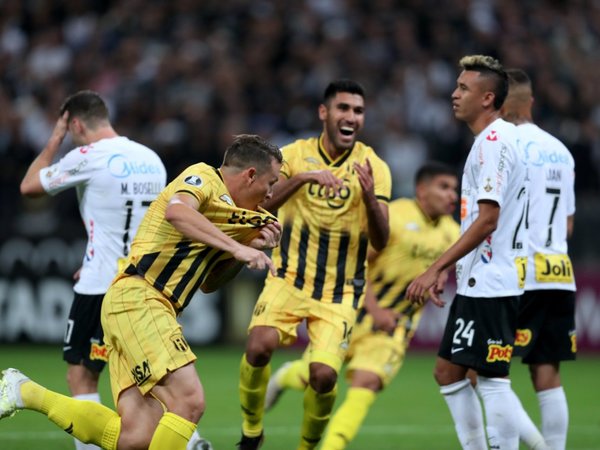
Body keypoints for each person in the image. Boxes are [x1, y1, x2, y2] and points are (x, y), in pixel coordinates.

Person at [1, 133, 284, 450]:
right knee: (188, 399)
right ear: (250, 175)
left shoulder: (227, 220)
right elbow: (176, 212)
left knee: (137, 437)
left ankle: (24, 391)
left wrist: (241, 250)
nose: (271, 194)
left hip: (136, 306)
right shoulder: (204, 177)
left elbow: (208, 284)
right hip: (141, 298)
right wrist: (237, 246)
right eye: (271, 183)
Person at [237, 79, 391, 450]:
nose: (350, 116)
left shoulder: (374, 166)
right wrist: (301, 179)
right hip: (289, 278)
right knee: (258, 347)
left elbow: (382, 241)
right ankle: (251, 432)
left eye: (358, 111)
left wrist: (369, 198)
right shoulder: (293, 155)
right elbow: (256, 207)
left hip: (340, 292)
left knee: (322, 377)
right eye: (343, 108)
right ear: (324, 113)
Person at [264, 162, 460, 450]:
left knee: (367, 382)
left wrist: (441, 275)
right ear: (422, 190)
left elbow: (448, 267)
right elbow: (356, 264)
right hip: (353, 311)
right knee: (316, 376)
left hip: (395, 326)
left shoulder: (453, 233)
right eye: (444, 187)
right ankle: (288, 376)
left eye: (454, 189)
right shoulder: (395, 216)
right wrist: (376, 309)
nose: (452, 196)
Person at [18, 90, 168, 450]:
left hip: (101, 286)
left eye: (69, 130)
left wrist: (54, 138)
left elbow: (29, 187)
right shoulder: (151, 159)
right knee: (147, 380)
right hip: (146, 285)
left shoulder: (86, 156)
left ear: (76, 124)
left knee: (82, 378)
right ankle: (189, 440)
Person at [405, 55, 529, 450]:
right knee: (448, 372)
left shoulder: (492, 143)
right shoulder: (494, 140)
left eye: (463, 88)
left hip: (493, 281)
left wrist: (433, 267)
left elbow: (488, 219)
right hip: (484, 278)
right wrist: (451, 268)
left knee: (491, 381)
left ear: (488, 98)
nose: (454, 94)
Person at [502, 69, 576, 450]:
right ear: (531, 102)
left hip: (519, 273)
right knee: (547, 372)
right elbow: (568, 223)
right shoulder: (560, 150)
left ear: (495, 101)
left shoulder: (502, 143)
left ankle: (539, 447)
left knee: (479, 369)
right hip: (559, 271)